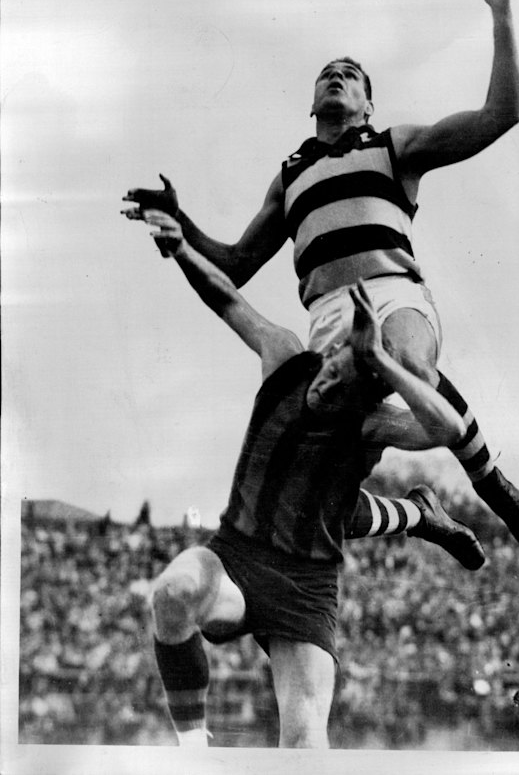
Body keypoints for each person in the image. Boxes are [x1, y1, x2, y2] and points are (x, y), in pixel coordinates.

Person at [122, 0, 519, 559]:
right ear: (312, 101)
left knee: (402, 357)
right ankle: (418, 516)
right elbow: (238, 264)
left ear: (368, 104)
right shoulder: (290, 176)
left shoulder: (393, 145)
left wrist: (502, 14)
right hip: (326, 317)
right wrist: (181, 219)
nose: (337, 74)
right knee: (320, 505)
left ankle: (491, 483)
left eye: (351, 72)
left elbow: (500, 114)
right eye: (328, 71)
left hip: (393, 293)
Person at [136, 210, 485, 749]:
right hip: (238, 556)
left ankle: (420, 514)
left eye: (342, 383)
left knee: (303, 745)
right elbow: (228, 298)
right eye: (330, 367)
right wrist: (182, 248)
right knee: (174, 592)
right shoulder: (285, 358)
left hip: (306, 585)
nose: (325, 384)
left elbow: (449, 427)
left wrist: (382, 364)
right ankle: (193, 753)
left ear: (365, 394)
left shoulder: (372, 423)